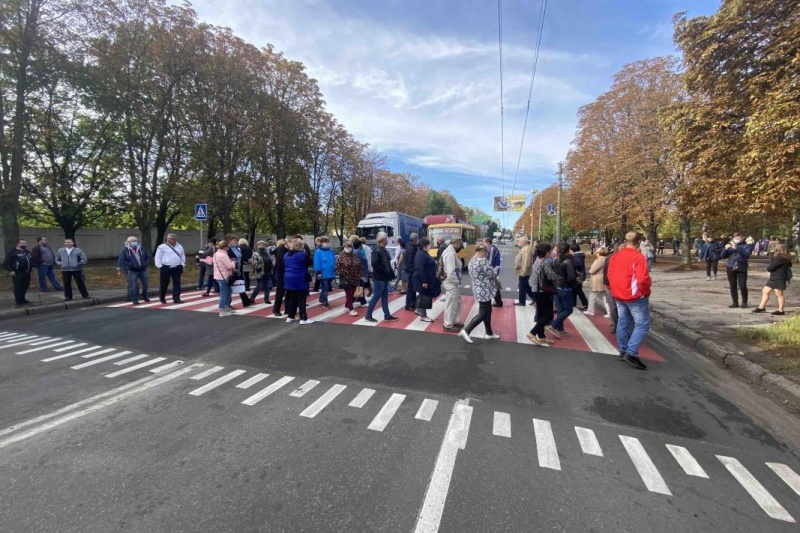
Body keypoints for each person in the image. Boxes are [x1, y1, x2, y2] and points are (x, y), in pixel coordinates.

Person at [607, 231, 652, 370]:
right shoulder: (638, 257)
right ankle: (631, 353)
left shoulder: (616, 256)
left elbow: (609, 274)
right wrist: (646, 291)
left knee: (623, 322)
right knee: (642, 324)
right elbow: (643, 278)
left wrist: (613, 288)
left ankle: (623, 350)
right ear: (639, 242)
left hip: (618, 293)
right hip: (634, 295)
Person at [459, 243, 500, 343]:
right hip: (485, 290)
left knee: (488, 310)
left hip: (477, 288)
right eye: (486, 252)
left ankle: (489, 333)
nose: (486, 254)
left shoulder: (472, 260)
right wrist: (496, 269)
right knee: (483, 312)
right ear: (482, 251)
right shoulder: (483, 261)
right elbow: (492, 274)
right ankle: (466, 330)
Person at [528, 243, 558, 346]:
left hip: (536, 290)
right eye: (549, 251)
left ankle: (541, 336)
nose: (550, 253)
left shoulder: (537, 260)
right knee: (549, 314)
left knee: (541, 314)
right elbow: (551, 276)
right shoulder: (545, 263)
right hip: (543, 291)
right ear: (546, 253)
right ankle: (532, 333)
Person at [365, 232, 399, 323]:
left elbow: (386, 264)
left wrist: (389, 273)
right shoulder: (377, 250)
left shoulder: (382, 249)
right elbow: (375, 263)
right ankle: (368, 315)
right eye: (386, 239)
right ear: (383, 240)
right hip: (379, 278)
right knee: (376, 296)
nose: (387, 240)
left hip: (383, 277)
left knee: (384, 297)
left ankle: (387, 315)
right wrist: (385, 271)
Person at [545, 243, 576, 338]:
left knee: (560, 309)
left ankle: (560, 329)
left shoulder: (555, 260)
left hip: (556, 287)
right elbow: (571, 276)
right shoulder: (568, 261)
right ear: (568, 250)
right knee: (568, 309)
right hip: (566, 288)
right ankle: (553, 326)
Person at [752, 244, 793, 316]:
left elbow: (770, 268)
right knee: (765, 291)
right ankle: (761, 307)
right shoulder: (785, 258)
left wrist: (770, 265)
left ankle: (781, 310)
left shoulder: (780, 258)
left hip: (779, 278)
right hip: (775, 277)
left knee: (779, 294)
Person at [284, 238, 314, 324]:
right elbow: (310, 262)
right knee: (301, 299)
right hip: (299, 278)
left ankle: (290, 316)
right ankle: (303, 318)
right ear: (301, 246)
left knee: (292, 298)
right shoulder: (302, 255)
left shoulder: (286, 255)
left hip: (288, 278)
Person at [720, 232, 755, 308]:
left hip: (741, 266)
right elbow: (722, 256)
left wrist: (737, 248)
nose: (737, 239)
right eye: (735, 238)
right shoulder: (730, 244)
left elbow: (746, 254)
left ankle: (744, 302)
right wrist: (725, 248)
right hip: (730, 266)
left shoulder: (747, 245)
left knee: (742, 285)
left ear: (742, 237)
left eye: (739, 237)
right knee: (732, 285)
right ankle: (735, 302)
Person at [117, 236, 151, 305]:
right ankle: (134, 299)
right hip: (132, 270)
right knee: (133, 285)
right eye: (132, 241)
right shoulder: (125, 250)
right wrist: (120, 268)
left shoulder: (141, 248)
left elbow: (148, 257)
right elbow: (121, 259)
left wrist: (145, 263)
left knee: (145, 284)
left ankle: (144, 296)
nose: (134, 242)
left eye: (135, 241)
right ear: (129, 242)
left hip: (142, 269)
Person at [413, 238, 439, 322]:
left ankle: (418, 309)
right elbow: (420, 268)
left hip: (425, 278)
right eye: (428, 244)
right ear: (424, 246)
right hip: (422, 279)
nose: (430, 246)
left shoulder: (424, 253)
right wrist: (424, 281)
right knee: (424, 296)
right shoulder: (421, 254)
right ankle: (423, 316)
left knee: (423, 295)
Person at [441, 237, 464, 332]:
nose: (460, 247)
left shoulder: (450, 251)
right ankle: (448, 324)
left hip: (451, 282)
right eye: (460, 244)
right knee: (451, 303)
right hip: (451, 283)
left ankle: (454, 321)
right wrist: (457, 281)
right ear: (456, 244)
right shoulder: (450, 254)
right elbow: (450, 272)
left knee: (456, 302)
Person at [154, 234, 185, 304]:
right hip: (166, 267)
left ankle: (176, 298)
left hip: (177, 267)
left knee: (177, 283)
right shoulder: (162, 247)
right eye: (168, 238)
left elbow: (183, 257)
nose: (169, 240)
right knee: (164, 284)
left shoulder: (179, 246)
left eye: (171, 239)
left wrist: (182, 265)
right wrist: (160, 266)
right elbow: (157, 257)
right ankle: (162, 298)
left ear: (175, 240)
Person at [336, 241, 363, 316]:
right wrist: (343, 272)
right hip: (346, 278)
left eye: (349, 247)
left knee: (352, 294)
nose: (348, 248)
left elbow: (360, 265)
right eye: (346, 247)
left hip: (355, 278)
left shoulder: (354, 255)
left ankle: (347, 305)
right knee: (349, 293)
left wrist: (359, 273)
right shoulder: (341, 256)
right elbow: (338, 268)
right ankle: (351, 309)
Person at [4, 239, 34, 306]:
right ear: (18, 244)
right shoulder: (13, 252)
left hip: (27, 272)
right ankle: (18, 300)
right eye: (23, 243)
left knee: (25, 285)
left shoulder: (27, 252)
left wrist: (32, 267)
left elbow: (30, 260)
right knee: (18, 286)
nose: (25, 245)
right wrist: (10, 270)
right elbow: (7, 262)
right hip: (18, 272)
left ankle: (23, 299)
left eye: (25, 243)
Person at [213, 239, 236, 317]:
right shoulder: (223, 255)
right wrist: (233, 263)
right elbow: (229, 266)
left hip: (219, 275)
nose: (228, 249)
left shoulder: (216, 254)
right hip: (224, 276)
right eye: (228, 247)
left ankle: (226, 307)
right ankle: (222, 309)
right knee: (224, 293)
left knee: (229, 291)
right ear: (225, 247)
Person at [313, 236, 336, 309]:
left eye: (327, 242)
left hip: (330, 272)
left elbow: (333, 262)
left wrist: (333, 273)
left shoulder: (330, 251)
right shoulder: (318, 252)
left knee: (325, 288)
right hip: (323, 273)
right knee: (325, 288)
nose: (326, 243)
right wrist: (318, 272)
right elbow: (317, 262)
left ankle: (321, 298)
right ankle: (325, 302)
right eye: (324, 242)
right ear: (321, 243)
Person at [585, 248, 608, 316]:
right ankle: (609, 312)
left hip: (596, 279)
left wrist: (590, 270)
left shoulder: (599, 260)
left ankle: (590, 310)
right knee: (604, 297)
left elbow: (592, 270)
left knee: (592, 295)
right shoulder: (606, 259)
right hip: (602, 278)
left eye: (597, 252)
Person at [249, 240, 273, 305]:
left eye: (263, 245)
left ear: (265, 246)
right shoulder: (255, 253)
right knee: (259, 286)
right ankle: (252, 298)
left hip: (268, 271)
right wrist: (258, 267)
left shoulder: (267, 253)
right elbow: (253, 262)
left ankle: (266, 299)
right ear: (258, 246)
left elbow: (270, 260)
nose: (262, 246)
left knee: (267, 286)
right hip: (260, 272)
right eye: (260, 245)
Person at [514, 237, 534, 306]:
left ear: (524, 242)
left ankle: (522, 301)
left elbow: (526, 262)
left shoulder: (526, 249)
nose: (519, 242)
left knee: (522, 287)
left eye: (519, 241)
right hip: (523, 271)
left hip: (524, 272)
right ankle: (535, 297)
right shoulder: (525, 248)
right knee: (525, 286)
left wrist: (523, 272)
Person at [485, 237, 504, 307]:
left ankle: (499, 302)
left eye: (484, 242)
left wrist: (486, 268)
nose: (483, 244)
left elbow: (490, 261)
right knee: (494, 285)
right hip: (494, 269)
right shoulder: (491, 248)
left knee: (494, 286)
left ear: (487, 243)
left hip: (493, 270)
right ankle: (498, 301)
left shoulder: (492, 248)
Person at [271, 239, 287, 316]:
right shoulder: (281, 249)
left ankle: (286, 308)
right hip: (281, 272)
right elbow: (282, 258)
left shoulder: (281, 249)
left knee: (286, 292)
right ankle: (276, 309)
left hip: (283, 272)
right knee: (280, 292)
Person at [570, 243, 589, 309]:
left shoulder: (576, 256)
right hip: (580, 275)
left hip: (578, 275)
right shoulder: (580, 255)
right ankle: (574, 303)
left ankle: (584, 303)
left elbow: (578, 264)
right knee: (576, 290)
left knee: (578, 290)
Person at [404, 233, 419, 311]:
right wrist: (412, 271)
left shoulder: (410, 246)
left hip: (410, 270)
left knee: (413, 288)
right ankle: (408, 304)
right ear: (415, 239)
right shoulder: (411, 248)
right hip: (411, 271)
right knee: (410, 288)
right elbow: (410, 261)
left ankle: (413, 303)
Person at [353, 238, 370, 308]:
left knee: (359, 286)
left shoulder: (354, 251)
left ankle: (358, 300)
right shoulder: (358, 252)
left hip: (357, 272)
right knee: (360, 286)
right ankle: (361, 301)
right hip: (360, 272)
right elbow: (364, 259)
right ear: (359, 245)